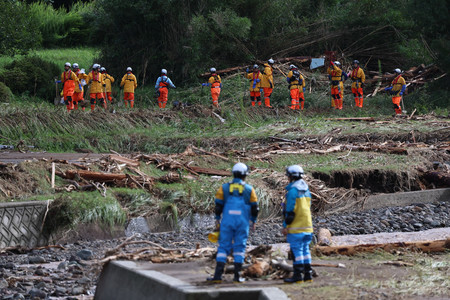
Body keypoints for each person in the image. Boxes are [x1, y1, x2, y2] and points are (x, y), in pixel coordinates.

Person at [208, 163, 259, 284]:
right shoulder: (249, 190)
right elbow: (255, 208)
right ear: (245, 176)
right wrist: (254, 221)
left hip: (227, 222)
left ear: (233, 174)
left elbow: (218, 206)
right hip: (242, 223)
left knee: (223, 247)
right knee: (239, 247)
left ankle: (217, 276)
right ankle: (237, 276)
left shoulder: (224, 188)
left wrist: (216, 219)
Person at [282, 165, 314, 283]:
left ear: (290, 176)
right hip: (308, 226)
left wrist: (285, 226)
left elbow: (290, 212)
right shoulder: (307, 190)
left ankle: (297, 276)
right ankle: (308, 275)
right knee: (306, 250)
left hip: (296, 227)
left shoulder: (292, 191)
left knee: (297, 251)